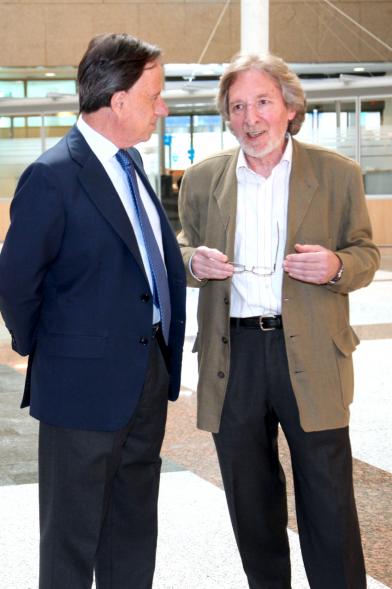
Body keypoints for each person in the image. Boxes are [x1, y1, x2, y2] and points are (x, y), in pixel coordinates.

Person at [177, 52, 380, 589]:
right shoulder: (201, 180)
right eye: (238, 106)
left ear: (290, 107)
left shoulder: (337, 175)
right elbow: (179, 251)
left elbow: (366, 254)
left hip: (313, 352)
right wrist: (192, 261)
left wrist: (337, 265)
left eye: (262, 102)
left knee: (328, 497)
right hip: (234, 357)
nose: (250, 118)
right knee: (250, 498)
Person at [0, 33, 186, 589]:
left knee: (132, 530)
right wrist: (53, 349)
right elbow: (15, 281)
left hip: (145, 377)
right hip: (78, 387)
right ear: (119, 100)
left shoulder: (131, 168)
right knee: (71, 540)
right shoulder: (53, 176)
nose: (163, 107)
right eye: (154, 94)